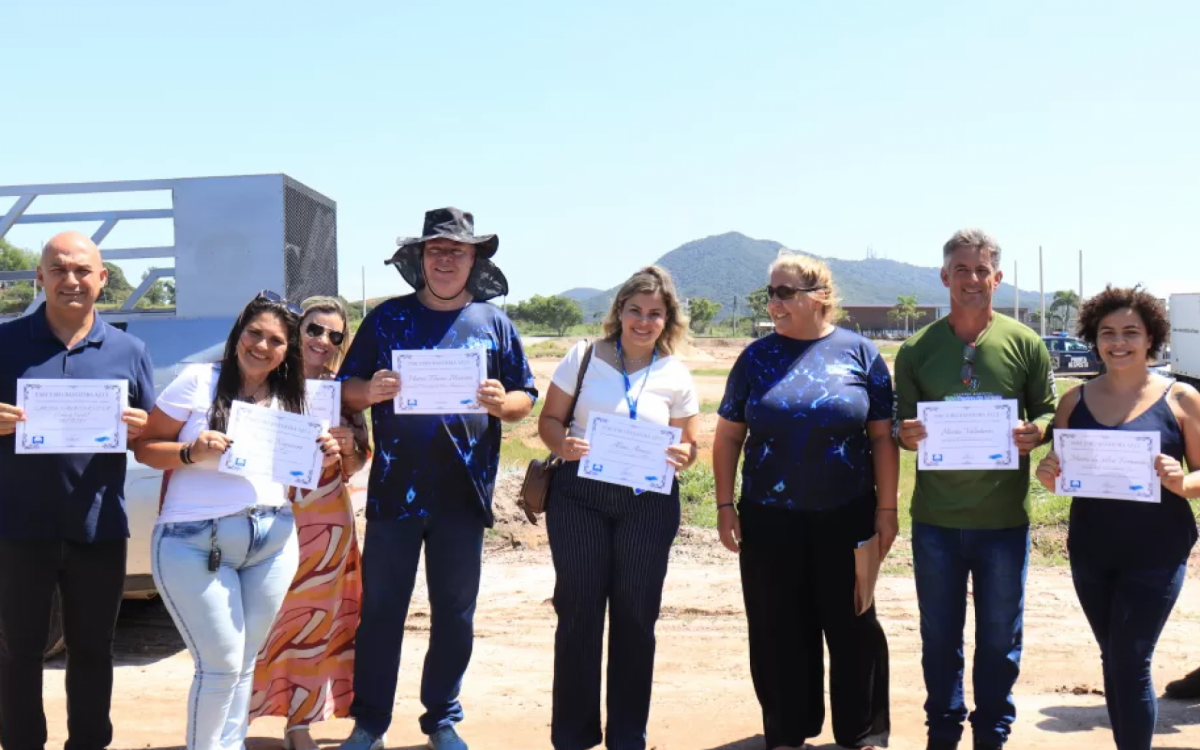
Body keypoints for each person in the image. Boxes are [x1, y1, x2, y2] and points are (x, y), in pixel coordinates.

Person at [336, 207, 536, 750]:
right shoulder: (387, 319)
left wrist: (503, 403)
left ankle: (442, 719)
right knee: (381, 611)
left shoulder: (494, 324)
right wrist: (368, 392)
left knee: (454, 613)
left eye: (457, 251)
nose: (445, 259)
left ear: (474, 260)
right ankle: (370, 723)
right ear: (419, 259)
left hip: (462, 496)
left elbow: (525, 397)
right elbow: (343, 387)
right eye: (436, 250)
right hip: (394, 495)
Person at [133, 292, 341, 750]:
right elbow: (145, 446)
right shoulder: (197, 381)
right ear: (238, 333)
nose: (262, 347)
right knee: (222, 663)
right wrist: (191, 452)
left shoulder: (297, 399)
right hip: (192, 540)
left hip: (271, 539)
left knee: (245, 661)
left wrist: (325, 453)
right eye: (254, 333)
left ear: (288, 351)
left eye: (276, 341)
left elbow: (302, 470)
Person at [713, 253, 896, 750]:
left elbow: (882, 439)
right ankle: (787, 731)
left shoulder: (861, 354)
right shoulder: (755, 358)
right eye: (770, 293)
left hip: (848, 512)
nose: (773, 302)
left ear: (819, 297)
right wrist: (725, 506)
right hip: (769, 519)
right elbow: (729, 437)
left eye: (784, 293)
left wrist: (887, 510)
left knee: (855, 623)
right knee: (777, 626)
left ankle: (863, 733)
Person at [893, 229, 1056, 750]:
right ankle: (942, 729)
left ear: (998, 278)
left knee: (999, 639)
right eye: (961, 270)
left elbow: (1048, 408)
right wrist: (907, 434)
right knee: (939, 637)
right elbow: (900, 424)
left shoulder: (1025, 343)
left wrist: (1041, 430)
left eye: (981, 270)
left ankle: (993, 733)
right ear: (945, 277)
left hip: (1003, 523)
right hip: (937, 523)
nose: (971, 279)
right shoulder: (917, 350)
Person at [0, 231, 154, 750]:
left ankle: (89, 743)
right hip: (18, 530)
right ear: (39, 277)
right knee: (17, 653)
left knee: (93, 651)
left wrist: (141, 430)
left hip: (99, 529)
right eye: (58, 269)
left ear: (102, 279)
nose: (71, 280)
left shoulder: (129, 351)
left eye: (83, 270)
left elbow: (152, 442)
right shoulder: (3, 345)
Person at [537, 266, 700, 750]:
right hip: (578, 498)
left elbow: (690, 443)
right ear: (620, 313)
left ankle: (629, 735)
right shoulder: (584, 357)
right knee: (579, 612)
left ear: (667, 319)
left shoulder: (676, 373)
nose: (643, 322)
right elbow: (549, 419)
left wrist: (684, 455)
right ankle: (573, 735)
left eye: (655, 313)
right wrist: (563, 444)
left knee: (635, 616)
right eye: (635, 311)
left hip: (647, 505)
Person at [1035, 287, 1199, 750]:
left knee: (1130, 658)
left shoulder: (1181, 398)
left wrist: (1181, 482)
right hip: (1092, 549)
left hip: (1158, 549)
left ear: (1151, 338)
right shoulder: (1073, 401)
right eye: (1108, 333)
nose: (1119, 341)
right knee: (1115, 657)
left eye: (1131, 332)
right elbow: (1058, 471)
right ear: (1095, 339)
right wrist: (1050, 474)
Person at [250, 296, 370, 750]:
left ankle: (299, 723)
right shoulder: (263, 382)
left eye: (335, 335)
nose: (323, 340)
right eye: (315, 330)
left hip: (326, 522)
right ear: (297, 332)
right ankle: (230, 719)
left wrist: (348, 448)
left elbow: (357, 463)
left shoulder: (341, 393)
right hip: (265, 511)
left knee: (313, 627)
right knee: (258, 619)